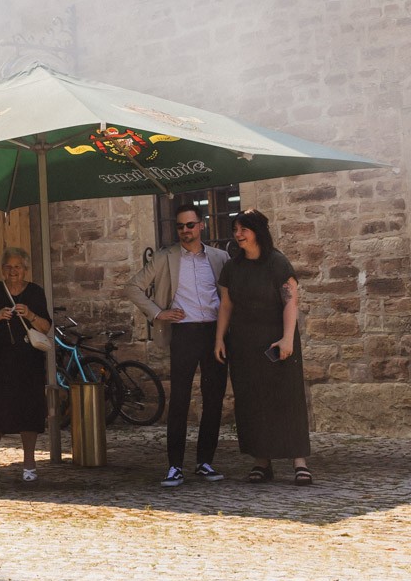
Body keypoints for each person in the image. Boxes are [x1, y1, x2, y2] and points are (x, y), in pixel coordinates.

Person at [127, 202, 229, 488]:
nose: (185, 231)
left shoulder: (220, 258)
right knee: (180, 400)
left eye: (190, 225)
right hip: (183, 333)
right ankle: (174, 466)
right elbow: (132, 286)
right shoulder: (165, 257)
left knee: (213, 398)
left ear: (202, 225)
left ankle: (205, 462)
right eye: (181, 226)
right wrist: (158, 312)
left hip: (214, 333)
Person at [215, 209, 312, 484]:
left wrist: (287, 338)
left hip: (277, 340)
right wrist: (219, 339)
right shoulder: (232, 267)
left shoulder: (277, 263)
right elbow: (226, 305)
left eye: (243, 229)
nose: (238, 234)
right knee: (252, 400)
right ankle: (261, 461)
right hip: (244, 343)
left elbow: (290, 302)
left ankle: (299, 462)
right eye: (235, 229)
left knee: (286, 399)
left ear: (258, 231)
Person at [0, 246, 52, 482]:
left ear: (25, 269)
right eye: (8, 266)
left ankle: (29, 464)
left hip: (27, 362)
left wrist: (30, 315)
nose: (13, 271)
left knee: (28, 409)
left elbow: (46, 328)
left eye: (17, 266)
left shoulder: (36, 292)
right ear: (2, 270)